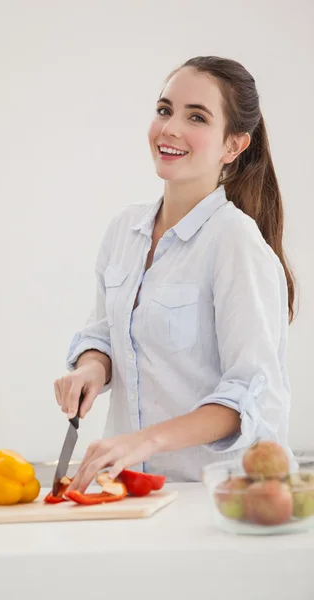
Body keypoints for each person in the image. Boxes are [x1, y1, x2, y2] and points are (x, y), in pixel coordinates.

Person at [53, 55, 297, 493]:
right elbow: (105, 333)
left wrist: (142, 441)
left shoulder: (234, 242)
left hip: (216, 498)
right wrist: (91, 367)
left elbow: (248, 395)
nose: (170, 128)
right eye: (165, 110)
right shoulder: (123, 232)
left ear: (233, 145)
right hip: (132, 491)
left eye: (196, 117)